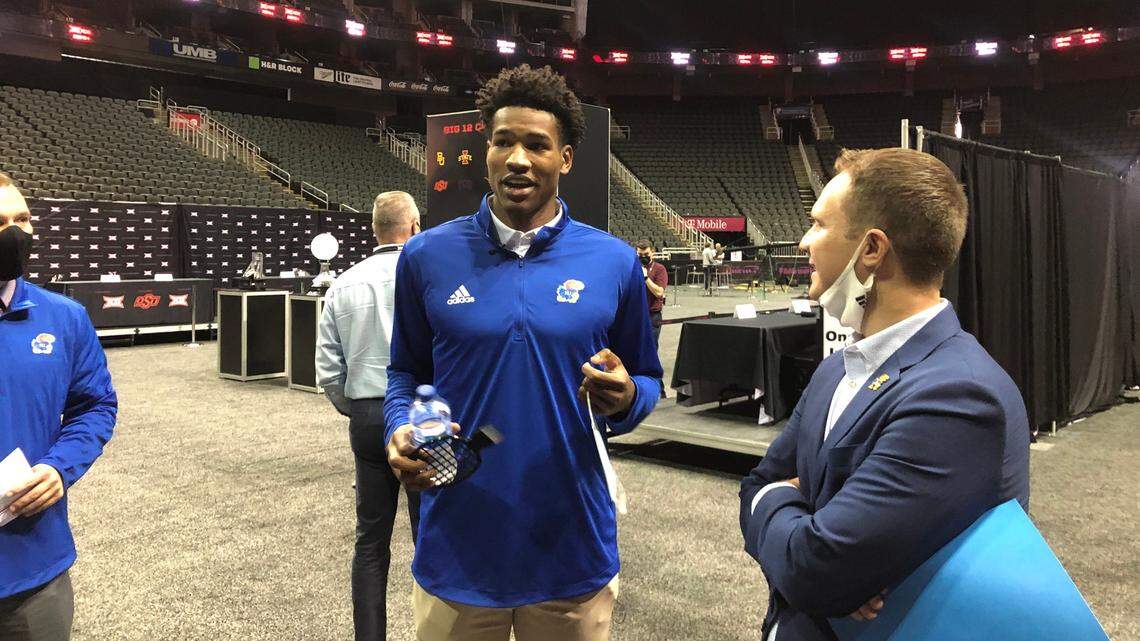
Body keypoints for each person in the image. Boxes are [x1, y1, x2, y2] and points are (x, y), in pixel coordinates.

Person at [384, 64, 663, 641]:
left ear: (564, 159)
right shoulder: (426, 256)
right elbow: (406, 373)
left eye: (536, 144)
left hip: (571, 551)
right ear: (485, 150)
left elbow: (647, 379)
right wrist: (399, 429)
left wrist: (628, 396)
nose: (517, 158)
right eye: (503, 140)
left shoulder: (613, 262)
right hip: (457, 547)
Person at [738, 148, 1030, 641]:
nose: (806, 243)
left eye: (819, 225)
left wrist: (782, 508)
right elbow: (758, 483)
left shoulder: (959, 397)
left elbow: (816, 570)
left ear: (872, 250)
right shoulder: (835, 370)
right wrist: (789, 512)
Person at [0, 171, 118, 641]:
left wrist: (58, 468)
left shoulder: (65, 319)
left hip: (34, 570)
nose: (15, 232)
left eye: (23, 219)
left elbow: (95, 407)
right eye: (0, 221)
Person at [315, 190, 423, 641]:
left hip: (368, 415)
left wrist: (361, 411)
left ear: (374, 230)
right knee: (431, 535)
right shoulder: (429, 276)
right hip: (422, 417)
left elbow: (328, 371)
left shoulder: (343, 283)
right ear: (415, 227)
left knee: (371, 542)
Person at [635, 239, 667, 348]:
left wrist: (645, 278)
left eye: (646, 254)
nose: (643, 257)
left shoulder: (659, 269)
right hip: (637, 313)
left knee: (651, 347)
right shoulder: (633, 268)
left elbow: (659, 292)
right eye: (640, 254)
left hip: (653, 315)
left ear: (652, 252)